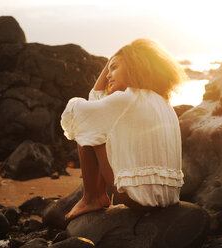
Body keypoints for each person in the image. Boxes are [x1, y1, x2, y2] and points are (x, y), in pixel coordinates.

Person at [60, 38, 187, 220]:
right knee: (98, 122)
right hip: (170, 196)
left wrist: (112, 58)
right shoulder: (163, 102)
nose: (109, 75)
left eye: (114, 68)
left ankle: (92, 198)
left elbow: (87, 106)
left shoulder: (128, 98)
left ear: (135, 66)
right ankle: (94, 197)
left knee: (89, 125)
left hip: (137, 198)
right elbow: (97, 102)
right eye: (109, 69)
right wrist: (116, 59)